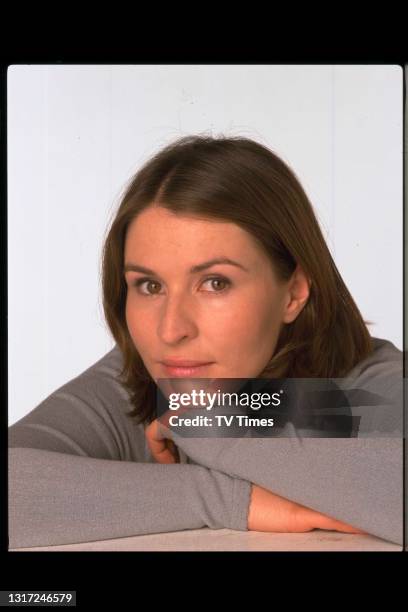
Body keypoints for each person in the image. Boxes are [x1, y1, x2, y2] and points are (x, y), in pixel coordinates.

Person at [8, 134, 403, 549]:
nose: (170, 330)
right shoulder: (138, 380)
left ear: (293, 292)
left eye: (215, 283)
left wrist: (208, 423)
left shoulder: (375, 380)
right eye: (149, 285)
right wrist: (229, 500)